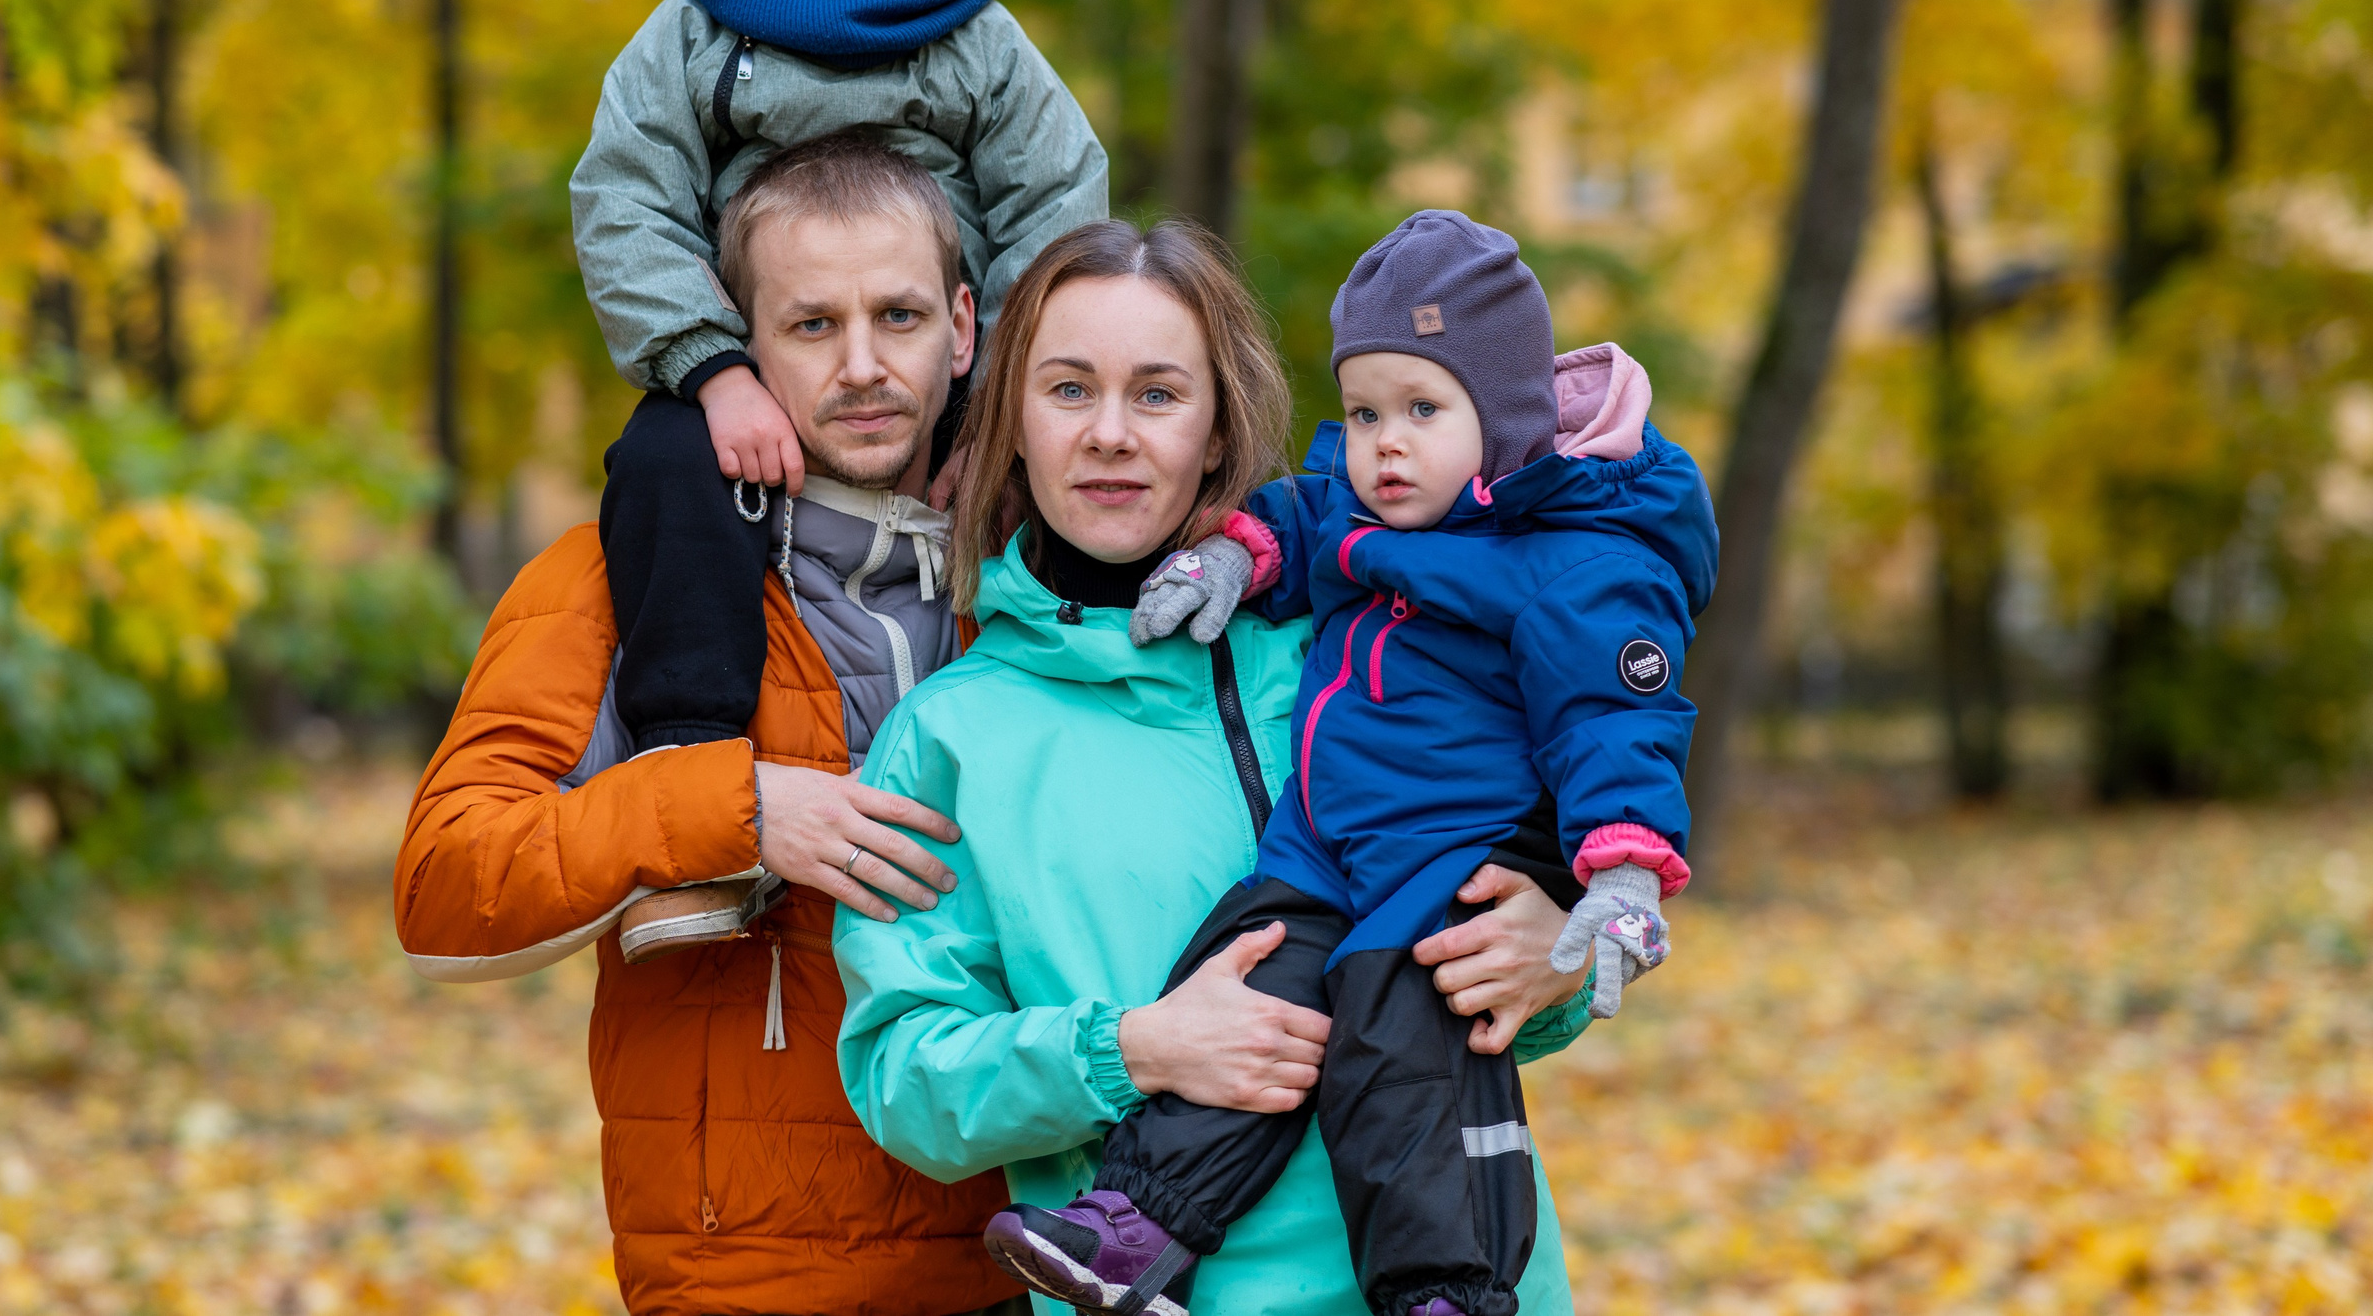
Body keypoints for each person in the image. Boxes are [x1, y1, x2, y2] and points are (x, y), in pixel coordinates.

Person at [833, 219, 1597, 1316]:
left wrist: (1558, 958)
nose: (1110, 434)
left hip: (1470, 1283)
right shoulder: (949, 737)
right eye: (1068, 390)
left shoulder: (1370, 645)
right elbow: (904, 1078)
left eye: (1156, 394)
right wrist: (1131, 1051)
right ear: (1012, 424)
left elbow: (1519, 957)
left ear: (1217, 427)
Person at [985, 210, 1720, 1316]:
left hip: (1446, 858)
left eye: (1422, 409)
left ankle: (1444, 1288)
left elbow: (1615, 718)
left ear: (1506, 422)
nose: (1384, 443)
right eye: (1365, 410)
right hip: (1324, 852)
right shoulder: (1368, 508)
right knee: (1238, 987)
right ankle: (1135, 1227)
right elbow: (1297, 518)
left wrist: (1617, 878)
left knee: (1399, 1057)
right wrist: (1232, 559)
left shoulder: (1574, 563)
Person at [397, 139, 1029, 1316]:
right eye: (811, 326)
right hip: (742, 1274)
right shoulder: (609, 582)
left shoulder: (1041, 581)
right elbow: (444, 887)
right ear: (738, 345)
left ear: (961, 328)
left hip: (1028, 1255)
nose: (862, 366)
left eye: (896, 317)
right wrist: (735, 809)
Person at [572, 0, 1109, 768]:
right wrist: (713, 369)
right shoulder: (699, 30)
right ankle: (688, 744)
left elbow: (1058, 202)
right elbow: (625, 196)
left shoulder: (974, 34)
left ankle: (1095, 712)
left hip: (935, 368)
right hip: (763, 361)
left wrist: (1001, 397)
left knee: (1074, 457)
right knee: (664, 461)